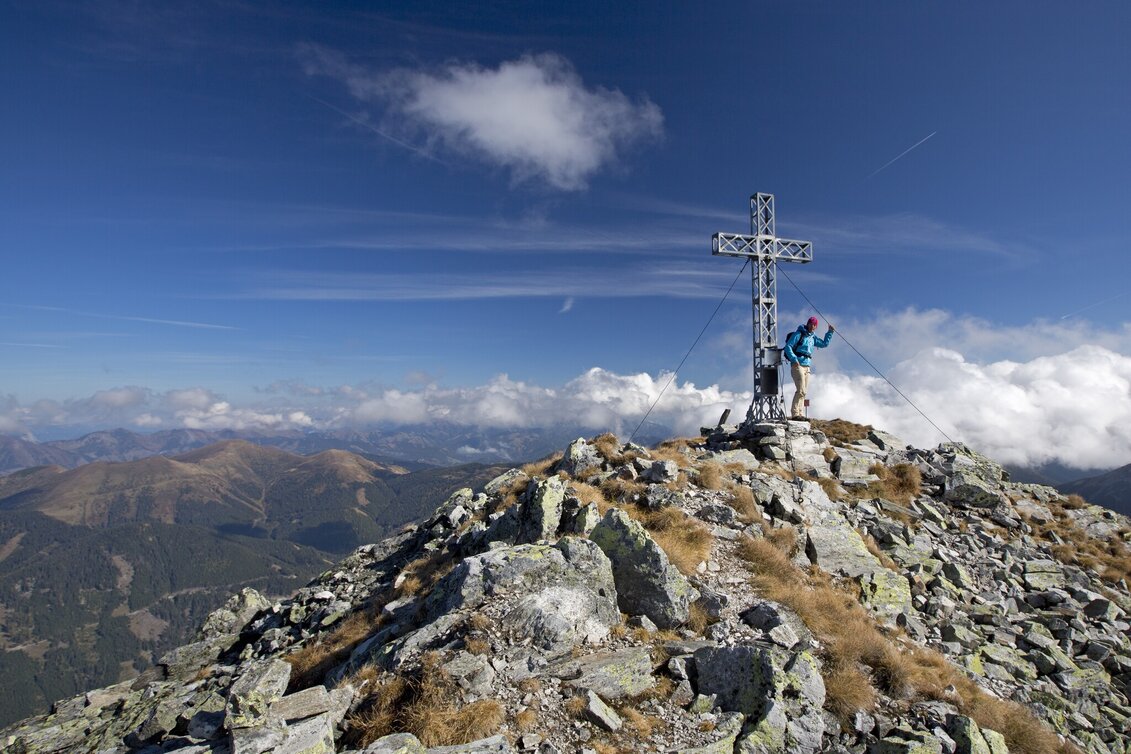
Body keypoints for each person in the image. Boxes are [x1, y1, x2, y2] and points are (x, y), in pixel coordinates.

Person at [784, 316, 835, 420]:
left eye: (815, 325)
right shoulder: (799, 334)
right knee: (801, 389)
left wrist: (830, 332)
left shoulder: (813, 337)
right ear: (807, 324)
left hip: (807, 366)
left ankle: (800, 413)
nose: (813, 326)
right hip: (797, 364)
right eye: (811, 324)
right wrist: (794, 359)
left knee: (804, 391)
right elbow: (788, 347)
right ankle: (795, 413)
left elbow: (824, 344)